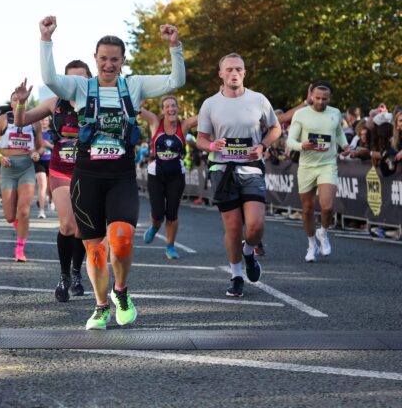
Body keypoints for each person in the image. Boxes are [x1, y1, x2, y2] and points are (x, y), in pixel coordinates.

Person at [40, 15, 185, 329]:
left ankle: (121, 291)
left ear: (122, 61)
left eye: (114, 59)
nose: (108, 65)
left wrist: (175, 47)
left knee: (121, 240)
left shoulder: (133, 85)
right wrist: (46, 39)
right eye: (103, 59)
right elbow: (51, 78)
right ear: (96, 59)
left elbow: (176, 82)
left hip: (121, 179)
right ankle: (101, 305)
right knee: (95, 250)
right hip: (86, 180)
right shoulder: (81, 87)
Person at [196, 53, 281, 298]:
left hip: (251, 168)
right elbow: (202, 138)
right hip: (222, 170)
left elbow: (275, 128)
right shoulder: (210, 104)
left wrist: (263, 145)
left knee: (255, 226)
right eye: (229, 69)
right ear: (221, 74)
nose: (234, 73)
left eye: (239, 69)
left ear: (244, 73)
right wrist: (212, 146)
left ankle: (249, 252)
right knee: (233, 228)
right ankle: (236, 275)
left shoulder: (258, 100)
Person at [14, 60, 92, 302]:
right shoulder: (54, 103)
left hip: (89, 172)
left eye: (82, 79)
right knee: (68, 224)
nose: (76, 84)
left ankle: (77, 273)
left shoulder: (98, 103)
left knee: (81, 228)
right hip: (61, 171)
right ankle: (64, 276)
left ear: (90, 80)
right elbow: (20, 121)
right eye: (71, 79)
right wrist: (22, 103)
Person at [285, 81, 347, 262]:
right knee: (308, 209)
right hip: (306, 166)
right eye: (317, 98)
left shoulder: (335, 113)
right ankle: (311, 244)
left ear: (330, 98)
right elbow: (290, 141)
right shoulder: (301, 114)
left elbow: (338, 133)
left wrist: (345, 146)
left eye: (324, 99)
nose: (320, 102)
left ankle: (323, 233)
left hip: (327, 164)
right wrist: (301, 145)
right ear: (311, 95)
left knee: (327, 206)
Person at [0, 92, 44, 262]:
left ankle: (20, 249)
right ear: (11, 103)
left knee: (24, 211)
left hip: (26, 167)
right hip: (8, 169)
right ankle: (19, 226)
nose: (19, 102)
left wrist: (36, 154)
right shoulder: (4, 119)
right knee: (10, 216)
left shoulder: (35, 120)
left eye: (22, 99)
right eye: (15, 99)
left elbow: (40, 147)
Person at [140, 95, 198, 259]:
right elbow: (136, 109)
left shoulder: (184, 125)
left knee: (172, 213)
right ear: (162, 110)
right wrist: (143, 94)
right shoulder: (155, 122)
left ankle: (170, 247)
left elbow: (206, 114)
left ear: (177, 108)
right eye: (167, 106)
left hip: (176, 176)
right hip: (156, 175)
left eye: (174, 106)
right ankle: (154, 226)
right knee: (158, 213)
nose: (171, 109)